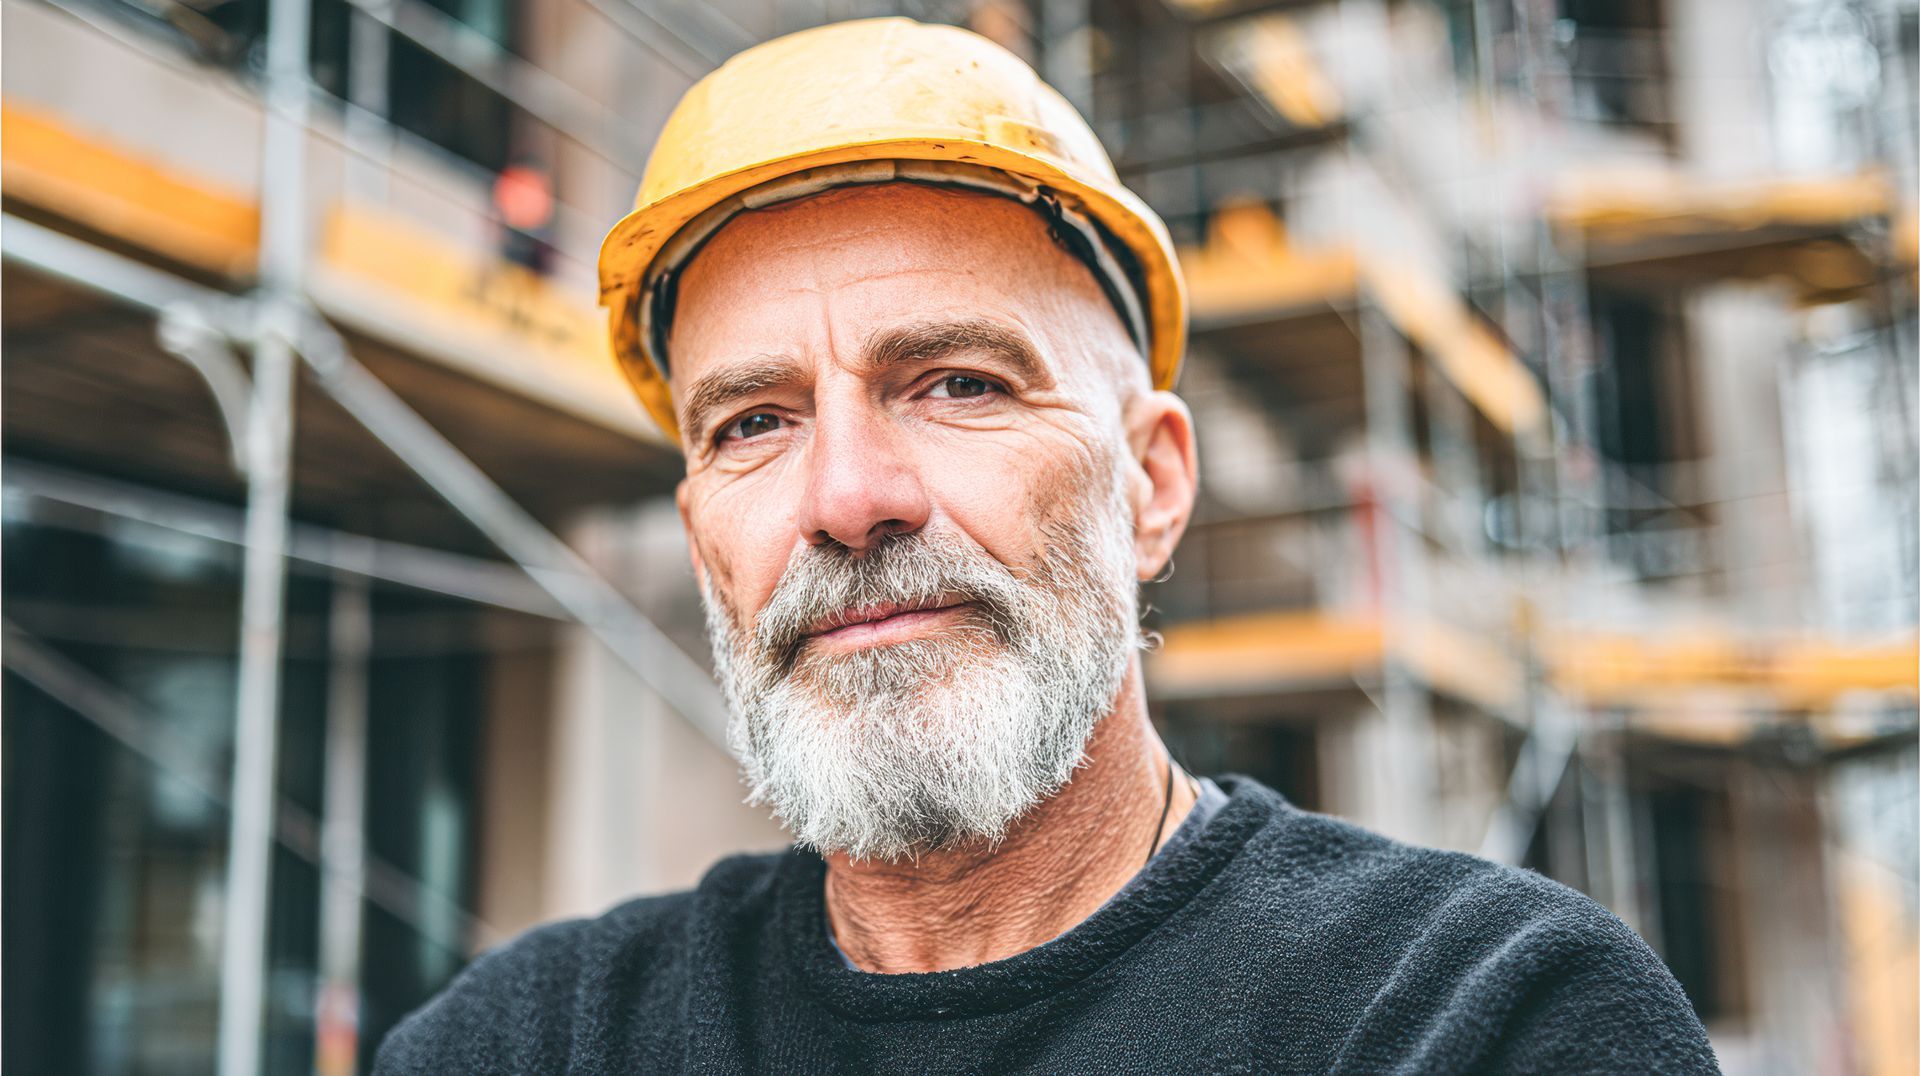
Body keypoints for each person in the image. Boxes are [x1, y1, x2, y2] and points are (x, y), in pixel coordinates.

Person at [375, 18, 1719, 1074]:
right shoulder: (522, 1042)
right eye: (753, 423)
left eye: (958, 383)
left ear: (1151, 482)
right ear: (700, 533)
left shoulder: (1483, 1020)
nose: (848, 497)